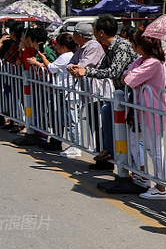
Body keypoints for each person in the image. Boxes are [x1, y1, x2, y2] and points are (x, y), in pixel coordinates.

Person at [68, 15, 138, 170]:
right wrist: (83, 70)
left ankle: (130, 167)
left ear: (100, 32)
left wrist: (86, 71)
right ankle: (110, 153)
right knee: (107, 113)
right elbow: (102, 68)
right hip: (121, 94)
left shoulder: (121, 47)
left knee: (130, 133)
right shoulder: (111, 47)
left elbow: (113, 72)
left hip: (132, 94)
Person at [121, 29, 166, 199]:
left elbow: (128, 78)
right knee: (141, 143)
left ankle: (161, 187)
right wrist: (128, 74)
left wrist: (128, 75)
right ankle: (146, 176)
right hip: (142, 109)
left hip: (152, 110)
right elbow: (126, 75)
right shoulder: (142, 60)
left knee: (154, 148)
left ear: (140, 46)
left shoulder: (153, 63)